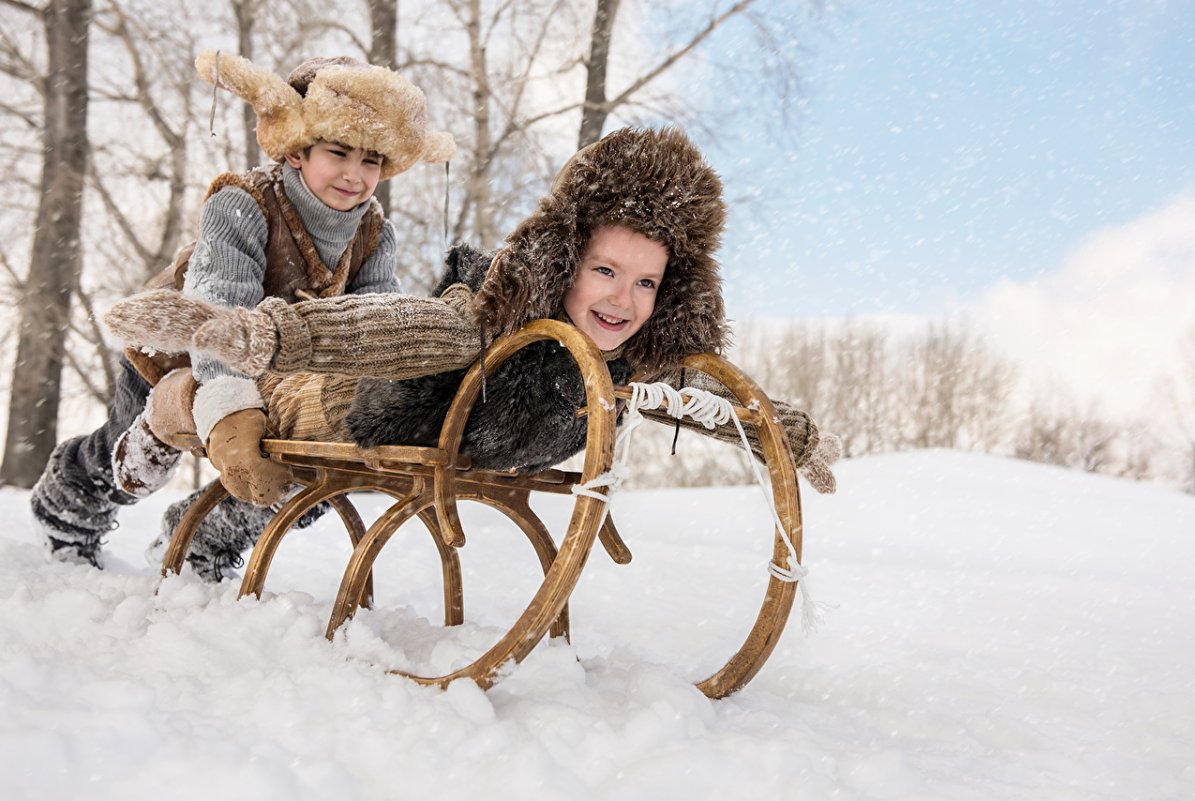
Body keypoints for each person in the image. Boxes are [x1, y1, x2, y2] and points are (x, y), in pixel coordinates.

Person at [105, 126, 841, 581]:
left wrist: (787, 433)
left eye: (646, 282)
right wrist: (271, 334)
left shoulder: (630, 355)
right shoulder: (501, 315)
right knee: (276, 456)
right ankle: (165, 440)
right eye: (605, 272)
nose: (622, 300)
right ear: (565, 264)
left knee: (298, 496)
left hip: (417, 432)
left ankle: (195, 531)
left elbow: (702, 392)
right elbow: (403, 328)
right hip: (340, 389)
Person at [30, 50, 454, 570]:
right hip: (181, 350)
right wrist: (228, 407)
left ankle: (200, 539)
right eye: (338, 152)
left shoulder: (373, 233)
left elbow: (369, 322)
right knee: (132, 465)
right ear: (297, 149)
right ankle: (66, 510)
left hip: (277, 365)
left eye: (371, 161)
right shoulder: (243, 203)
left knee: (296, 468)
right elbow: (217, 307)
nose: (355, 175)